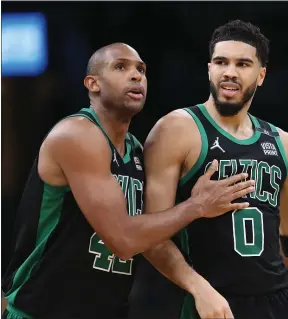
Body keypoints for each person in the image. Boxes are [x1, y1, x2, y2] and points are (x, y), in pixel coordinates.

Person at [1, 43, 255, 319]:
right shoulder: (77, 134)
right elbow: (122, 239)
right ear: (93, 84)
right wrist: (197, 206)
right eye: (121, 67)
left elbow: (155, 232)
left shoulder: (136, 151)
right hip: (41, 311)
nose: (136, 76)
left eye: (141, 70)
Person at [135, 20, 288, 319]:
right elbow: (152, 236)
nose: (230, 72)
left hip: (278, 304)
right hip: (212, 303)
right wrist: (199, 288)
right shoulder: (177, 129)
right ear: (209, 68)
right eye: (221, 62)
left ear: (261, 75)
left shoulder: (284, 144)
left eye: (243, 64)